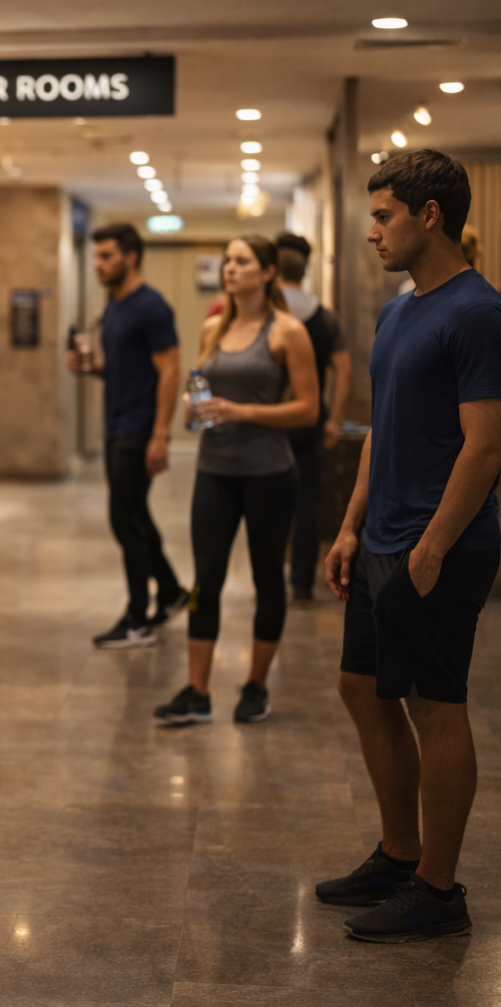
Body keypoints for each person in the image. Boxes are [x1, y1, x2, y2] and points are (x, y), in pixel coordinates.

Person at [319, 150, 501, 942]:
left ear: (431, 216)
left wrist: (431, 546)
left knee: (436, 704)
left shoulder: (479, 312)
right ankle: (398, 854)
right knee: (362, 687)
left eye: (385, 215)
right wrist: (351, 524)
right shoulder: (398, 311)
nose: (372, 232)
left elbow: (486, 448)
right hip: (383, 536)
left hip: (441, 545)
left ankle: (438, 889)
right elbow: (379, 432)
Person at [154, 235, 319, 726]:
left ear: (267, 272)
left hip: (269, 473)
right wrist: (193, 408)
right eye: (227, 260)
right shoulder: (212, 328)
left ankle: (255, 685)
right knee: (206, 580)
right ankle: (197, 691)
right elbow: (199, 389)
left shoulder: (288, 331)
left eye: (241, 261)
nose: (230, 268)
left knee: (269, 579)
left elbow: (309, 408)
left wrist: (242, 410)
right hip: (214, 471)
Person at [66, 223, 187, 650]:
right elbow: (124, 369)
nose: (98, 265)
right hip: (116, 425)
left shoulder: (151, 306)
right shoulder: (114, 306)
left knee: (125, 518)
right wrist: (91, 368)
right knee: (133, 515)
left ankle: (138, 616)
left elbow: (170, 371)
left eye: (106, 257)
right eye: (97, 257)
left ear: (130, 257)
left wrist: (160, 436)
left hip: (138, 428)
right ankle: (170, 591)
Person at [275, 233, 351, 603]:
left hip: (271, 421)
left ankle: (269, 576)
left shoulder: (267, 315)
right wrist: (333, 419)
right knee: (308, 503)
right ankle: (301, 583)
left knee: (268, 501)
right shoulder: (324, 316)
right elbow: (344, 371)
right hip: (311, 420)